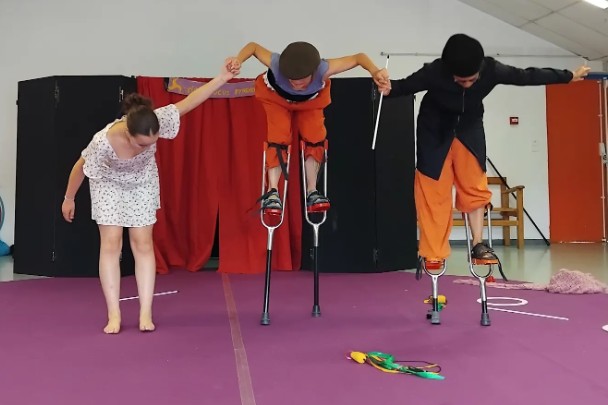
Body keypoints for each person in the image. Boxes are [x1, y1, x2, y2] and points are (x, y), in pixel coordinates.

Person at [378, 33, 590, 266]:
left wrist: (567, 76)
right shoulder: (434, 72)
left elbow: (526, 76)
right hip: (433, 132)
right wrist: (388, 88)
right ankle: (433, 252)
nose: (467, 85)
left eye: (472, 80)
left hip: (469, 131)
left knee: (474, 187)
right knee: (433, 193)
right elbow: (403, 86)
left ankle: (478, 245)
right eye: (461, 81)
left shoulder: (492, 70)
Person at [61, 60, 238, 334]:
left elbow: (190, 102)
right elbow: (80, 167)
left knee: (143, 244)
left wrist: (223, 78)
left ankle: (145, 312)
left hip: (142, 182)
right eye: (143, 143)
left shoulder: (158, 120)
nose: (148, 147)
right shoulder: (103, 141)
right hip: (108, 184)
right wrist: (69, 198)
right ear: (129, 134)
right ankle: (114, 314)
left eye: (152, 142)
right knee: (111, 243)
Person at [228, 41, 389, 212]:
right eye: (292, 79)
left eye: (301, 79)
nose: (296, 84)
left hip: (310, 101)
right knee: (278, 136)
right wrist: (238, 59)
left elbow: (358, 58)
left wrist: (375, 71)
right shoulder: (275, 63)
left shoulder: (324, 69)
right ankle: (272, 192)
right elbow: (253, 47)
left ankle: (312, 191)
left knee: (315, 136)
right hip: (276, 99)